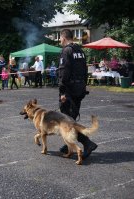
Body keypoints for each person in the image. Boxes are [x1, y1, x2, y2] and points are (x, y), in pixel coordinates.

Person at [58, 29, 97, 159]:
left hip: (69, 90)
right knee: (72, 117)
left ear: (63, 38)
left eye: (60, 38)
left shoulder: (66, 51)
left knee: (66, 120)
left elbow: (64, 72)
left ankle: (87, 143)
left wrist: (62, 91)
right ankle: (68, 144)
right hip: (79, 88)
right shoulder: (80, 51)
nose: (59, 41)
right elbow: (85, 70)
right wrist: (83, 85)